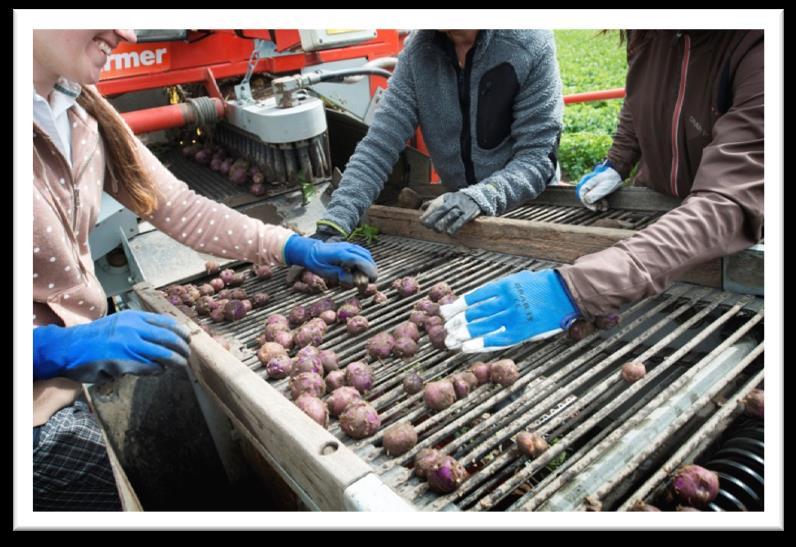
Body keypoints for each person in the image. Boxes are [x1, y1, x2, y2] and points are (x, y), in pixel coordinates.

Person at [32, 29, 378, 510]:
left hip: (62, 394)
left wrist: (291, 245)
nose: (127, 31)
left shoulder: (81, 107)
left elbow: (179, 207)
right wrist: (43, 349)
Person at [442, 30, 764, 353]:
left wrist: (575, 289)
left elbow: (728, 201)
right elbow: (640, 98)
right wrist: (617, 163)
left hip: (732, 240)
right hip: (655, 226)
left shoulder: (759, 47)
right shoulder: (651, 33)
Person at [314, 29, 563, 240]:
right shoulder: (418, 54)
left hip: (531, 209)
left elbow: (537, 157)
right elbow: (379, 145)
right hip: (456, 214)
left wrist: (479, 197)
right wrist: (334, 223)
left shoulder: (529, 43)